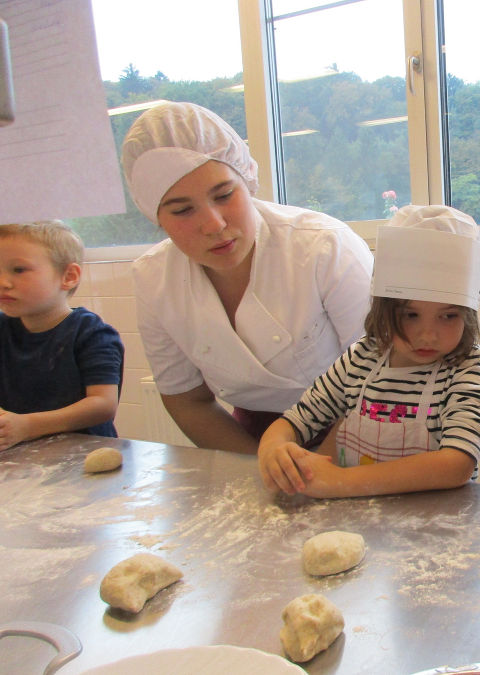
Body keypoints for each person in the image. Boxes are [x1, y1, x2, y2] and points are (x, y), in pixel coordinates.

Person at [121, 102, 374, 454]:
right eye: (182, 210)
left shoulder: (325, 247)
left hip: (368, 429)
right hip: (253, 441)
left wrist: (320, 470)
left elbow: (383, 383)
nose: (214, 224)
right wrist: (261, 470)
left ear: (247, 180)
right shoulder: (154, 280)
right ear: (156, 217)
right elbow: (187, 401)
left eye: (224, 195)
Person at [258, 204, 480, 498]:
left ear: (468, 315)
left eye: (448, 316)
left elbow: (455, 464)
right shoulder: (361, 358)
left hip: (435, 524)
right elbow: (298, 420)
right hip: (358, 521)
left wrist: (341, 482)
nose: (428, 334)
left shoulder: (470, 370)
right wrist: (275, 447)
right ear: (385, 310)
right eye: (410, 315)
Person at [0, 221, 123, 450]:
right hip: (19, 455)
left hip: (82, 456)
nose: (3, 283)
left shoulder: (91, 334)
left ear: (69, 276)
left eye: (18, 270)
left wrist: (27, 426)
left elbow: (103, 404)